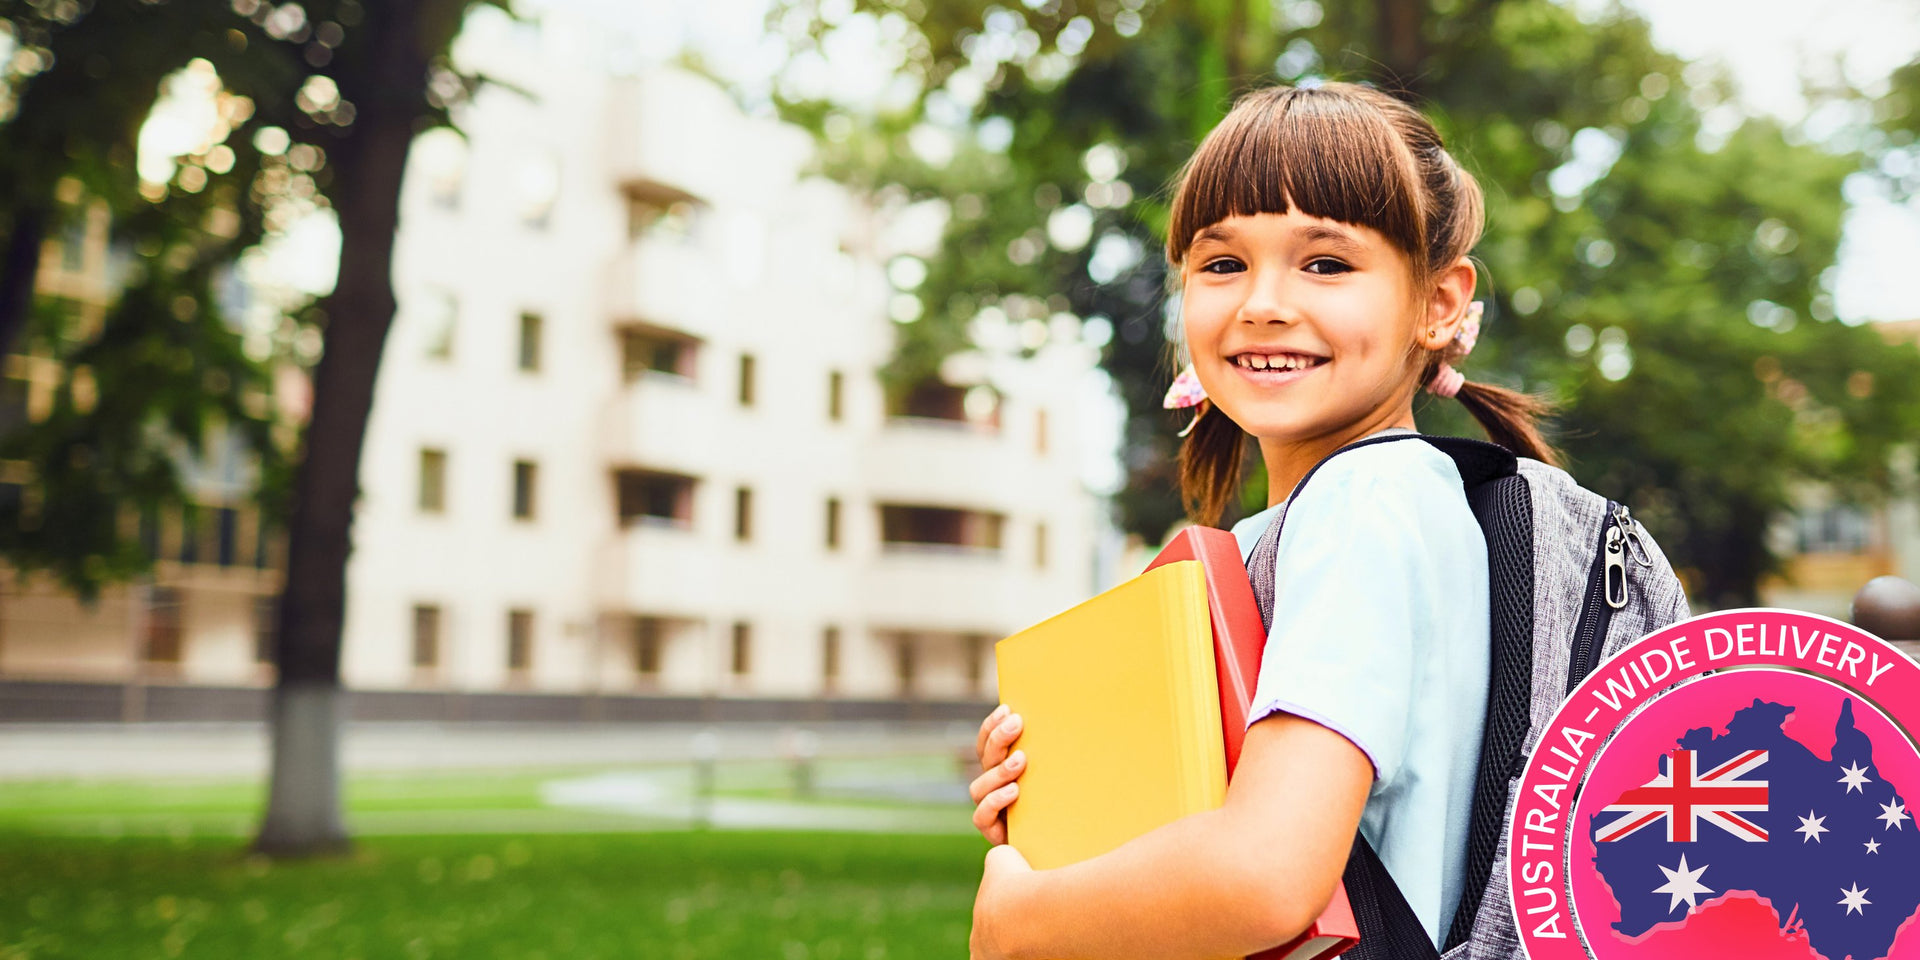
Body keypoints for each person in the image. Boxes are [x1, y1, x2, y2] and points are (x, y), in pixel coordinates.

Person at [966, 82, 1562, 960]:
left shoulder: (1362, 505)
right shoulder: (1426, 505)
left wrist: (1020, 922)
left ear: (1439, 303)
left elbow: (1265, 876)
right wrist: (1059, 806)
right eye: (1221, 264)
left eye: (1325, 263)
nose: (1262, 303)